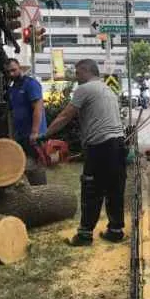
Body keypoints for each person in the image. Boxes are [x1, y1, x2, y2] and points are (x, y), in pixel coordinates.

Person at [42, 59, 126, 245]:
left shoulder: (85, 89)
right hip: (118, 144)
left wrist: (44, 135)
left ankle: (84, 235)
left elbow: (65, 116)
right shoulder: (107, 89)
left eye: (78, 72)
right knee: (114, 188)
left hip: (100, 145)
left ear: (87, 71)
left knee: (91, 189)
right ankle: (115, 230)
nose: (76, 76)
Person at [5, 58, 47, 162]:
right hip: (20, 135)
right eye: (8, 72)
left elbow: (38, 108)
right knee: (22, 165)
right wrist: (11, 135)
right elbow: (11, 113)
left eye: (13, 70)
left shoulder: (31, 84)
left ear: (19, 68)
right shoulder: (12, 89)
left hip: (34, 136)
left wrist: (35, 132)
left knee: (37, 166)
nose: (11, 74)